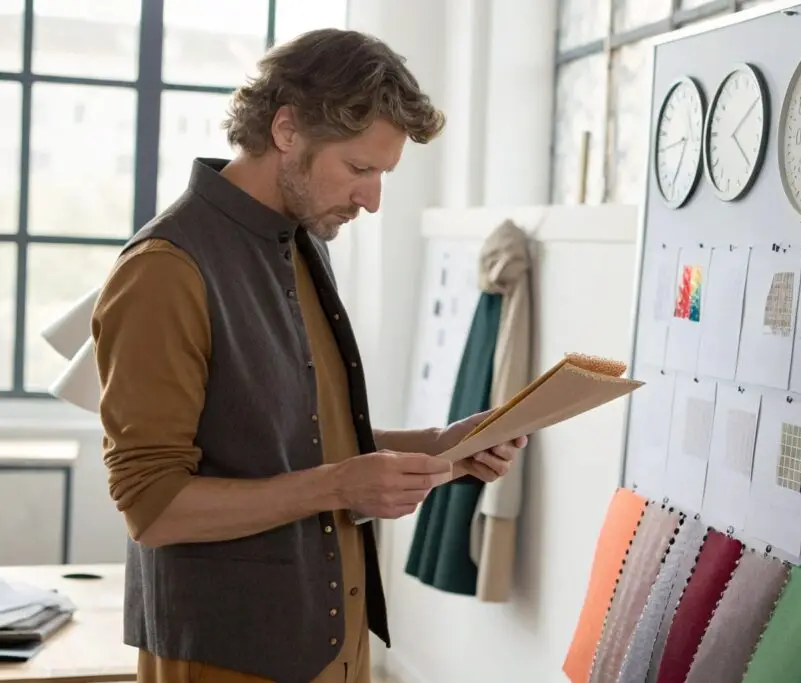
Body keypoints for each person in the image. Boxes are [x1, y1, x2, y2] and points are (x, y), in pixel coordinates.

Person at [90, 28, 526, 683]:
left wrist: (438, 448)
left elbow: (296, 441)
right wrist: (339, 486)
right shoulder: (164, 271)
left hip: (333, 647)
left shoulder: (300, 244)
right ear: (288, 130)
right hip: (226, 657)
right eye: (360, 168)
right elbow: (151, 506)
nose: (373, 199)